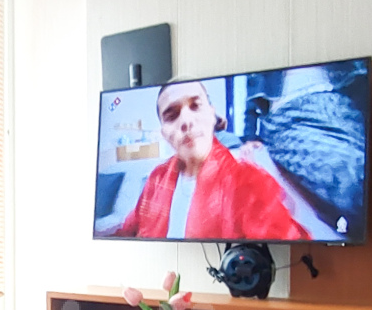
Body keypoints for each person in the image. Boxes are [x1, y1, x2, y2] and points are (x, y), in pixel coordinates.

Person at [110, 81, 308, 241]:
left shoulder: (248, 182)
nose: (186, 121)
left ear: (212, 115)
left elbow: (293, 246)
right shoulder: (156, 179)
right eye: (172, 115)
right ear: (164, 133)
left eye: (195, 106)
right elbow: (127, 231)